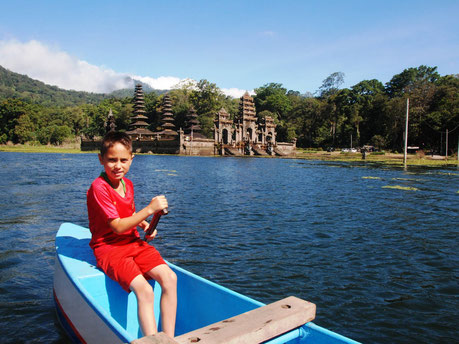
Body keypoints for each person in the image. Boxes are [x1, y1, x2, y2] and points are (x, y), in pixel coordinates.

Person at [86, 131, 177, 338]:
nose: (118, 166)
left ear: (131, 160)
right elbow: (117, 226)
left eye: (123, 160)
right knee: (144, 290)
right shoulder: (98, 187)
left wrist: (145, 223)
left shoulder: (128, 184)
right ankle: (153, 342)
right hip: (109, 248)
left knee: (170, 278)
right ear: (101, 159)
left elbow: (128, 215)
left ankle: (169, 339)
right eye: (112, 160)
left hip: (132, 242)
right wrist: (149, 210)